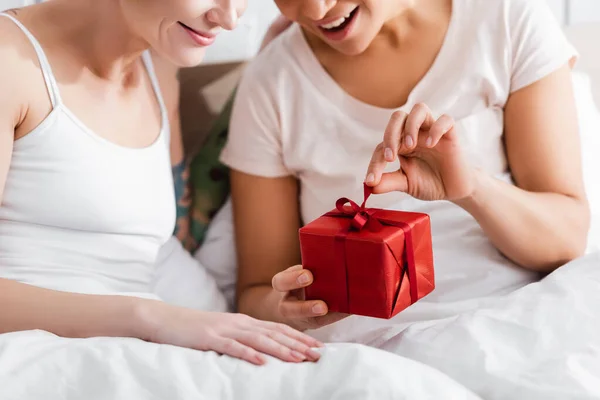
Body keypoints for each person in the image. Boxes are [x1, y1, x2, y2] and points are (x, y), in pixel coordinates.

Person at [219, 0, 591, 335]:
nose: (316, 10)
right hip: (364, 349)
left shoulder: (507, 18)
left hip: (510, 317)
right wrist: (289, 310)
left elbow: (566, 241)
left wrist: (472, 188)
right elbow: (255, 295)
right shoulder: (272, 81)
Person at [0, 0, 324, 366]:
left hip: (177, 334)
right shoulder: (9, 62)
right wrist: (147, 317)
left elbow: (171, 233)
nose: (230, 19)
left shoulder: (159, 64)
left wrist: (265, 76)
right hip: (57, 352)